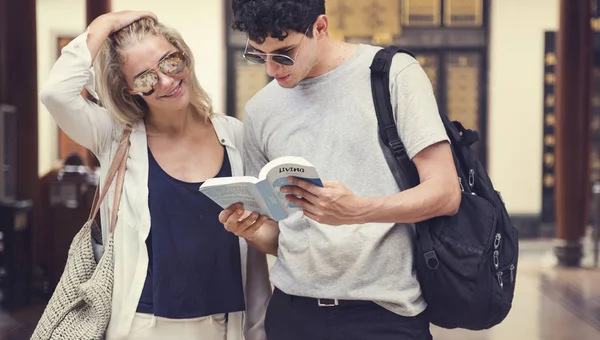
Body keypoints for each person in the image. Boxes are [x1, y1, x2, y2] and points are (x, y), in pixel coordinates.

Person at [219, 1, 462, 339]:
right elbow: (281, 236)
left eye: (284, 53)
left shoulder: (392, 74)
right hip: (293, 312)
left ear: (320, 27)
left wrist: (359, 211)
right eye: (260, 55)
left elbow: (446, 193)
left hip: (384, 312)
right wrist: (249, 230)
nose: (272, 69)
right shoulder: (261, 109)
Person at [40, 11, 271, 340]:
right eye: (145, 78)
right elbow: (55, 93)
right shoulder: (115, 137)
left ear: (183, 55)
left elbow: (257, 244)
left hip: (224, 324)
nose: (166, 81)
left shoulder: (234, 135)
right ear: (129, 90)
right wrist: (105, 24)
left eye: (170, 62)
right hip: (142, 327)